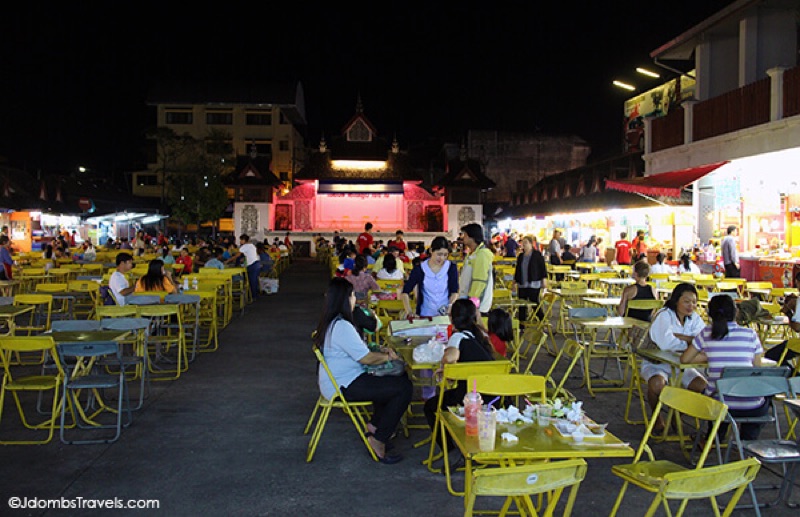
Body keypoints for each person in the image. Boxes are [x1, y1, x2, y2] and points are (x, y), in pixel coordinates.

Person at [315, 278, 412, 464]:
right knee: (403, 388)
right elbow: (366, 358)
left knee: (396, 381)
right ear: (344, 299)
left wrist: (380, 351)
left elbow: (360, 350)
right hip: (343, 385)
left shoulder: (335, 322)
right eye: (351, 295)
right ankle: (379, 439)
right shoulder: (342, 326)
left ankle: (376, 426)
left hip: (343, 379)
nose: (354, 299)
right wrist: (389, 357)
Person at [681, 294, 766, 441]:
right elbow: (757, 368)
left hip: (719, 405)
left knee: (716, 392)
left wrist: (708, 355)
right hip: (751, 406)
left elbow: (685, 359)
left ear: (710, 314)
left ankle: (715, 437)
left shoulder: (707, 333)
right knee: (764, 397)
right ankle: (747, 441)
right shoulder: (750, 334)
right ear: (736, 312)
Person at [423, 299, 496, 451]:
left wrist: (444, 366)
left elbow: (450, 357)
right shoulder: (479, 336)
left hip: (471, 397)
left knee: (430, 407)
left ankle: (448, 448)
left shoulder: (458, 337)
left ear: (451, 318)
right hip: (493, 395)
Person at [643, 283, 707, 431]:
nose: (691, 306)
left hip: (681, 365)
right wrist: (691, 342)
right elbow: (667, 344)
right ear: (676, 300)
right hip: (657, 363)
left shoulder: (694, 318)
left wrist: (683, 337)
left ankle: (676, 413)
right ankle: (656, 416)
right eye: (686, 301)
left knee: (702, 386)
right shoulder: (664, 315)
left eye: (694, 302)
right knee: (657, 384)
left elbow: (704, 339)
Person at [401, 236, 459, 318]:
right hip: (425, 314)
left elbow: (454, 291)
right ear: (431, 250)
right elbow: (405, 292)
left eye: (445, 255)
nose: (442, 258)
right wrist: (409, 312)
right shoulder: (420, 269)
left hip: (445, 315)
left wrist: (450, 305)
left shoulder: (451, 268)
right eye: (439, 254)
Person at [458, 223, 494, 316]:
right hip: (468, 302)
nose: (463, 237)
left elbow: (480, 281)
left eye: (465, 235)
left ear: (472, 236)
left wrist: (473, 302)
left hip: (476, 306)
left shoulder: (482, 254)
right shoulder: (472, 254)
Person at [514, 235, 547, 321]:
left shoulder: (537, 255)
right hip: (522, 284)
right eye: (522, 243)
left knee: (534, 303)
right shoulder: (521, 256)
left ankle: (542, 320)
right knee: (521, 305)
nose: (523, 245)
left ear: (531, 244)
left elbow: (542, 268)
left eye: (525, 243)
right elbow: (517, 270)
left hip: (534, 283)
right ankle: (521, 326)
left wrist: (544, 280)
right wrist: (514, 282)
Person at [226, 234, 261, 301]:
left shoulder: (244, 246)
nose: (240, 242)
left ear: (244, 240)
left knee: (252, 281)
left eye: (241, 240)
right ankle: (255, 295)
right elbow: (249, 254)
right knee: (255, 281)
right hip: (257, 263)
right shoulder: (252, 245)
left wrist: (228, 261)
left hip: (252, 265)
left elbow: (237, 255)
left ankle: (253, 296)